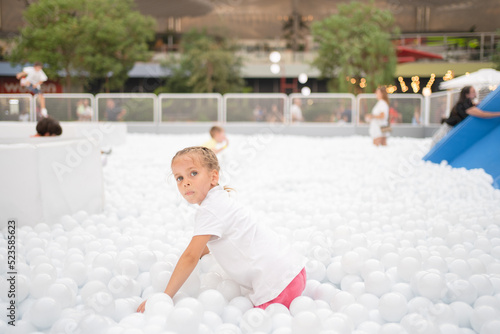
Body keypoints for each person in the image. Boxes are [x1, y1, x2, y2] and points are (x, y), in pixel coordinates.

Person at [137, 147, 306, 312]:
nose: (185, 182)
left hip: (277, 288)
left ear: (213, 176)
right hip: (293, 271)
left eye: (193, 173)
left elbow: (191, 256)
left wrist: (165, 297)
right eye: (179, 178)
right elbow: (209, 245)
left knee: (249, 320)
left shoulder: (209, 210)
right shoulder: (220, 199)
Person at [430, 86, 500, 148]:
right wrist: (498, 114)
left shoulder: (465, 103)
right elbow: (483, 115)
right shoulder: (465, 104)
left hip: (450, 128)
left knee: (436, 144)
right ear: (467, 94)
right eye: (473, 91)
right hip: (448, 129)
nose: (475, 93)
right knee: (435, 145)